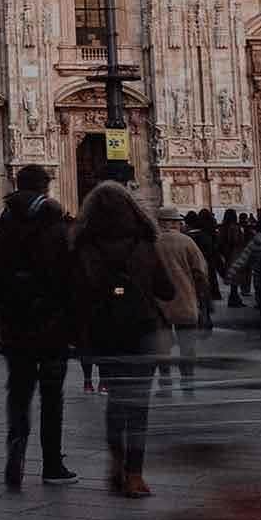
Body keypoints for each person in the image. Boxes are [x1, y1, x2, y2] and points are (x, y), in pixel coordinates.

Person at [69, 180, 174, 496]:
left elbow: (76, 296)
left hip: (106, 333)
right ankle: (135, 474)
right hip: (143, 331)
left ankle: (115, 463)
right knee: (139, 405)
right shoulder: (145, 244)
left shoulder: (83, 248)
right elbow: (167, 290)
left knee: (116, 401)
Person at [0, 170, 80, 488]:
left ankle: (16, 450)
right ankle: (52, 464)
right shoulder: (57, 227)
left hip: (15, 324)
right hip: (52, 326)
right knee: (52, 395)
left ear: (16, 186)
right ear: (45, 188)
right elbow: (71, 280)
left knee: (19, 392)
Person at [154, 210, 218, 400]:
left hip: (160, 304)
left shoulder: (153, 242)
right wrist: (203, 299)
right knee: (187, 347)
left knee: (162, 347)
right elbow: (200, 272)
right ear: (174, 223)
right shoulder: (187, 242)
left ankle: (165, 385)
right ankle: (188, 384)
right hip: (186, 301)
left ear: (161, 223)